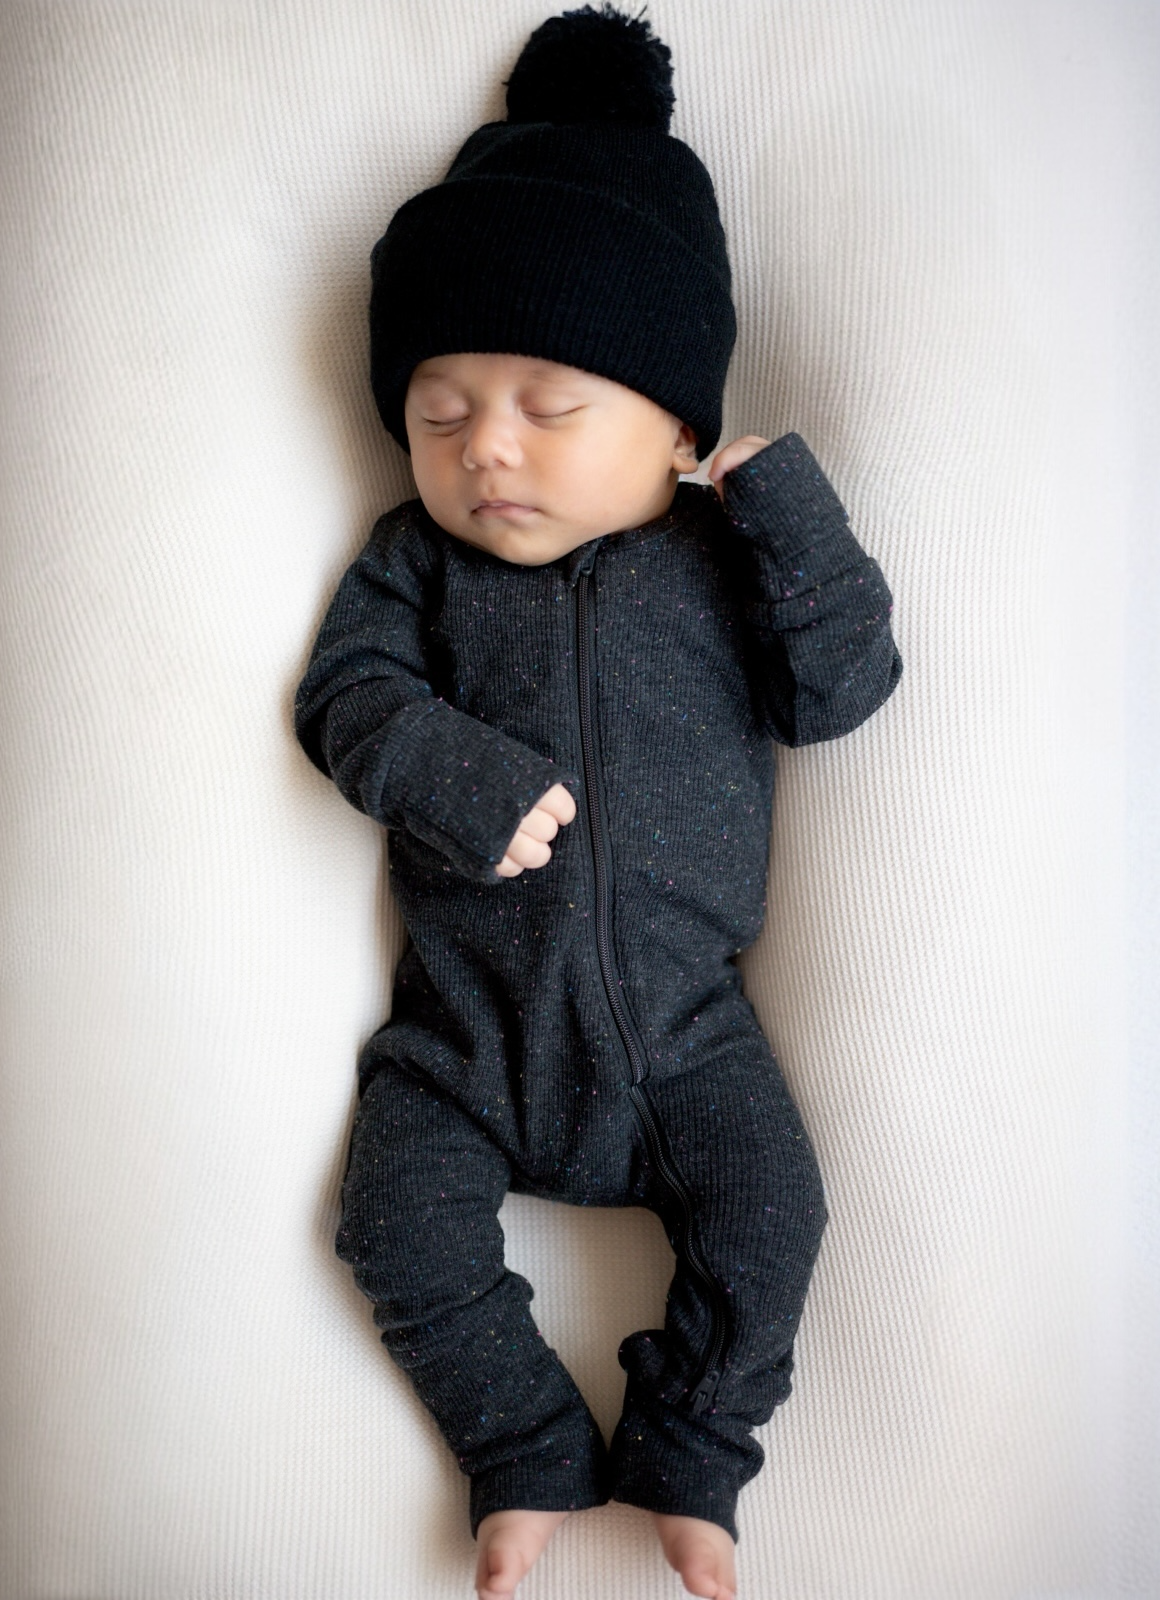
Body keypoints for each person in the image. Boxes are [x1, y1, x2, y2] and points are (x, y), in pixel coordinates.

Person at [294, 8, 902, 1597]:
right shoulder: (414, 567)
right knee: (393, 1227)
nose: (488, 447)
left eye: (551, 406)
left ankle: (695, 1453)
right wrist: (452, 774)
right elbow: (345, 702)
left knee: (775, 1216)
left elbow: (843, 690)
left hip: (691, 1037)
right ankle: (526, 1452)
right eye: (440, 409)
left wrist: (787, 511)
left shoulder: (721, 558)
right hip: (466, 1041)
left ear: (675, 426)